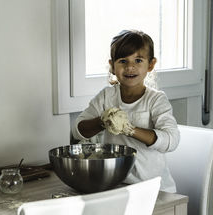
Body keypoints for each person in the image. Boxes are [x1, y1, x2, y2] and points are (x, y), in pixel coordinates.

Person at [71, 29, 180, 193]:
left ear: (150, 65)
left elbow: (171, 140)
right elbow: (77, 131)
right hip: (116, 186)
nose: (130, 67)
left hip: (155, 189)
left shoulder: (156, 100)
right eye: (123, 61)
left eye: (138, 60)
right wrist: (102, 121)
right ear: (112, 66)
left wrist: (129, 129)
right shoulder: (106, 96)